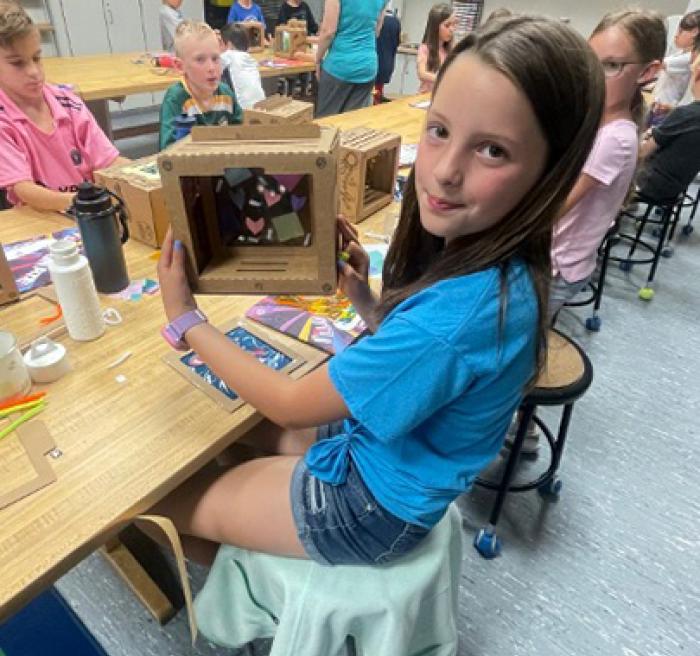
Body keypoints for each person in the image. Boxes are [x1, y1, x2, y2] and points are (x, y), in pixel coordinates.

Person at [152, 15, 604, 567]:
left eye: (492, 151)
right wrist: (365, 300)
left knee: (162, 497)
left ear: (553, 170)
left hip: (370, 507)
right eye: (439, 131)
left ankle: (242, 578)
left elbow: (293, 405)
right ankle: (248, 534)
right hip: (386, 453)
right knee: (219, 440)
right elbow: (436, 367)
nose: (444, 173)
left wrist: (186, 319)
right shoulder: (499, 267)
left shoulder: (463, 313)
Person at [549, 9, 666, 319]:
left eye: (611, 65)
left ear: (647, 72)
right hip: (558, 263)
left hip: (558, 269)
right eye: (590, 62)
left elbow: (554, 209)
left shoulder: (615, 139)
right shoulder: (603, 124)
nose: (593, 77)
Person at [0, 1, 123, 212]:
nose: (34, 71)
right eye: (17, 63)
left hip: (88, 213)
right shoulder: (4, 121)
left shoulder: (69, 103)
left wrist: (146, 175)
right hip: (41, 221)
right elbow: (24, 189)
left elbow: (109, 162)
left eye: (37, 58)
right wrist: (84, 202)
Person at [159, 20, 243, 150]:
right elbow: (169, 150)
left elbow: (241, 133)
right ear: (180, 66)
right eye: (200, 60)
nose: (211, 68)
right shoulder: (176, 99)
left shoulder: (226, 94)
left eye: (215, 58)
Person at [637, 54, 700, 205]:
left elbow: (642, 152)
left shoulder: (685, 114)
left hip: (650, 183)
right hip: (677, 186)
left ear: (697, 73)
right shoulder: (687, 114)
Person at [315, 0, 388, 118]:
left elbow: (328, 31)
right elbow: (377, 31)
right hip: (367, 65)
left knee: (326, 124)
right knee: (352, 124)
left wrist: (318, 59)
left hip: (340, 65)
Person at [649, 10, 700, 126]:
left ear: (695, 32)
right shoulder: (681, 54)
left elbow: (660, 64)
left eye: (681, 31)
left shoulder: (688, 58)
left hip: (666, 109)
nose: (676, 35)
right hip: (661, 106)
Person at [220, 22, 265, 108]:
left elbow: (211, 65)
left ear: (229, 45)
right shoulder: (251, 59)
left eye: (221, 42)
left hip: (243, 109)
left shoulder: (229, 55)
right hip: (261, 105)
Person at [417, 3, 455, 94]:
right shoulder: (425, 49)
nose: (452, 29)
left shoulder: (451, 50)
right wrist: (443, 79)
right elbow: (421, 73)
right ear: (435, 27)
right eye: (447, 25)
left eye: (454, 25)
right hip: (424, 96)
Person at [374, 6, 401, 104]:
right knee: (379, 88)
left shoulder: (376, 19)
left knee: (372, 93)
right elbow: (397, 42)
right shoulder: (396, 22)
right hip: (388, 62)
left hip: (374, 60)